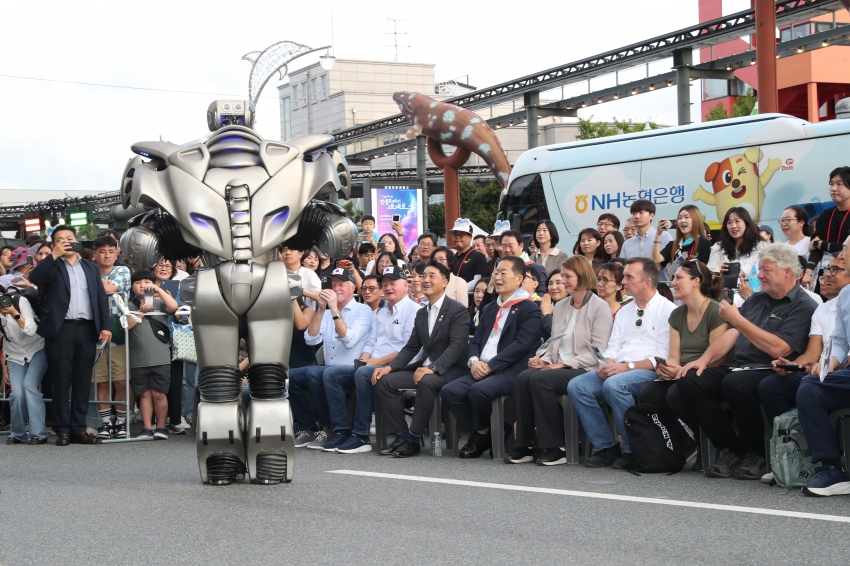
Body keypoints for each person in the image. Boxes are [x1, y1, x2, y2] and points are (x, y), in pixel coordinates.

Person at [677, 243, 817, 479]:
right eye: (759, 269)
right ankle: (732, 448)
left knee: (736, 383)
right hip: (739, 366)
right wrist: (704, 360)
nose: (759, 275)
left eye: (766, 270)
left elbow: (778, 348)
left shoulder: (803, 305)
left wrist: (737, 320)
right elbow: (731, 334)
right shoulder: (757, 300)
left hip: (771, 369)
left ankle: (758, 453)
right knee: (691, 379)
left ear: (787, 272)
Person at [567, 257, 676, 469]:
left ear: (646, 282)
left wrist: (627, 367)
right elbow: (614, 346)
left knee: (615, 385)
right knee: (578, 386)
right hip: (620, 368)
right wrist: (605, 362)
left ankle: (632, 448)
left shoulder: (668, 310)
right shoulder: (626, 310)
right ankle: (606, 446)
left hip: (650, 371)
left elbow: (661, 357)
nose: (623, 281)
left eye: (628, 277)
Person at [430, 257, 541, 458]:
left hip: (509, 370)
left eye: (503, 273)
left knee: (479, 391)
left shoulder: (529, 308)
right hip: (482, 367)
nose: (497, 277)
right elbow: (476, 340)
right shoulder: (490, 308)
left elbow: (522, 345)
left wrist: (492, 366)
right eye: (496, 273)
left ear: (518, 278)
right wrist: (473, 362)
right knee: (450, 391)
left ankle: (479, 435)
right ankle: (486, 432)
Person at [756, 247, 850, 484]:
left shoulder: (810, 303)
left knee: (811, 382)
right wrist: (812, 365)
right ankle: (822, 465)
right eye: (827, 268)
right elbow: (834, 343)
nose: (827, 273)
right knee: (803, 386)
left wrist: (832, 366)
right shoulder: (838, 301)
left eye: (837, 267)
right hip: (840, 372)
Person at [509, 256, 613, 465]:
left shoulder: (599, 307)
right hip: (559, 366)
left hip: (585, 368)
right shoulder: (562, 305)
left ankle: (556, 445)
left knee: (540, 380)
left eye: (568, 276)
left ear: (581, 276)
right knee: (524, 377)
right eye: (562, 276)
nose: (563, 281)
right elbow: (553, 343)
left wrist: (563, 364)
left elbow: (598, 351)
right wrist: (544, 361)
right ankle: (525, 444)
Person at [315, 266, 421, 454]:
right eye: (385, 284)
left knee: (363, 373)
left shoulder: (414, 311)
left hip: (399, 367)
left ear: (406, 285)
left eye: (392, 284)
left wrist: (372, 364)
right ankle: (341, 430)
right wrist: (363, 360)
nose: (388, 288)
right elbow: (371, 343)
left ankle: (361, 435)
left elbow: (407, 350)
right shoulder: (381, 312)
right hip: (373, 365)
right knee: (332, 374)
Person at [372, 261, 469, 458]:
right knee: (384, 381)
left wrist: (433, 367)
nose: (425, 280)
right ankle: (402, 435)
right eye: (423, 276)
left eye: (431, 276)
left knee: (426, 380)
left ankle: (414, 439)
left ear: (444, 282)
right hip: (424, 369)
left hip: (450, 370)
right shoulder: (421, 312)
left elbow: (456, 346)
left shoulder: (456, 310)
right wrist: (389, 368)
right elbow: (411, 348)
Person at [639, 260, 727, 470]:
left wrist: (682, 371)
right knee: (649, 392)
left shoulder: (716, 312)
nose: (673, 282)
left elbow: (718, 358)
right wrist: (668, 369)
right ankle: (684, 442)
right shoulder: (677, 315)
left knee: (677, 393)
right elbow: (674, 357)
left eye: (679, 278)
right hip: (684, 373)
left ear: (696, 281)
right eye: (673, 277)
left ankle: (712, 443)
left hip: (710, 371)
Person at [29, 225, 111, 446]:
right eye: (60, 239)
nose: (66, 242)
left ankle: (78, 428)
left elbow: (100, 298)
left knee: (82, 381)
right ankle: (62, 428)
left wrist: (106, 325)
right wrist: (53, 255)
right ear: (54, 243)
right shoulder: (53, 266)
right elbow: (35, 278)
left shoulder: (90, 267)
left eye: (69, 238)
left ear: (76, 240)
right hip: (61, 329)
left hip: (86, 328)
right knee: (61, 381)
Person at [290, 268, 373, 449]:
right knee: (290, 377)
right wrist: (321, 309)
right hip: (328, 370)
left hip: (353, 370)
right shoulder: (326, 313)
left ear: (353, 288)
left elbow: (349, 340)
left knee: (319, 373)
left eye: (341, 284)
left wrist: (334, 309)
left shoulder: (362, 311)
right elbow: (310, 339)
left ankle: (336, 429)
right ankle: (308, 427)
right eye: (333, 285)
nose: (336, 289)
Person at [796, 241, 850, 496]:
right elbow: (839, 340)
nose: (841, 255)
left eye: (846, 250)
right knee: (810, 388)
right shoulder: (846, 295)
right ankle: (831, 468)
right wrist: (828, 364)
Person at [125, 270, 179, 439]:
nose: (143, 285)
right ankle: (147, 428)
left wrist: (159, 290)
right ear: (132, 287)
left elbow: (174, 307)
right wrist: (142, 312)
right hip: (138, 359)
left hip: (161, 357)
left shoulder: (160, 302)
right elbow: (127, 325)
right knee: (145, 394)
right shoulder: (128, 305)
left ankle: (161, 427)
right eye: (138, 283)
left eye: (147, 282)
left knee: (160, 393)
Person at [1, 258, 49, 445]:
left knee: (29, 387)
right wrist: (5, 368)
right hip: (13, 354)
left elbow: (30, 330)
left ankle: (39, 433)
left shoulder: (19, 302)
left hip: (37, 348)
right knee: (16, 393)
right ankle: (18, 433)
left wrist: (13, 312)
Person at [91, 236, 131, 439]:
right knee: (101, 383)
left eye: (110, 251)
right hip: (94, 334)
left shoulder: (123, 271)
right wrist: (101, 285)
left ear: (117, 253)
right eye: (102, 251)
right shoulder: (89, 271)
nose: (107, 255)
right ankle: (106, 424)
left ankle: (122, 422)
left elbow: (110, 289)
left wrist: (98, 286)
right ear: (94, 254)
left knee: (121, 382)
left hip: (118, 333)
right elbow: (100, 290)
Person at [707, 207, 767, 306]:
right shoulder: (718, 247)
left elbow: (752, 266)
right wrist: (719, 274)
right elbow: (710, 273)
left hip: (753, 296)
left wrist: (736, 273)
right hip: (724, 298)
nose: (733, 226)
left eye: (737, 221)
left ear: (746, 223)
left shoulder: (760, 245)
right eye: (729, 222)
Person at [805, 167, 850, 288]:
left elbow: (844, 246)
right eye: (831, 184)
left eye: (839, 184)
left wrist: (820, 244)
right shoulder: (826, 214)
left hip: (846, 273)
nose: (834, 188)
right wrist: (808, 272)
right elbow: (814, 246)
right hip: (826, 272)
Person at [652, 205, 712, 275]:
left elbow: (707, 272)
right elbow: (656, 259)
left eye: (687, 217)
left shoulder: (705, 244)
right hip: (676, 284)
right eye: (680, 218)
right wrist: (658, 235)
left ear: (696, 220)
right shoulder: (673, 245)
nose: (682, 220)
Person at [449, 218, 488, 289]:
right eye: (455, 235)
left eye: (461, 235)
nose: (457, 237)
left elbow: (477, 280)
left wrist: (457, 290)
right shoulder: (452, 258)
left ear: (470, 237)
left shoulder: (478, 256)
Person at [540, 269, 567, 341]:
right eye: (550, 284)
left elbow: (558, 336)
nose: (553, 287)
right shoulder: (544, 305)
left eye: (558, 283)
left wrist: (547, 315)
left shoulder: (574, 307)